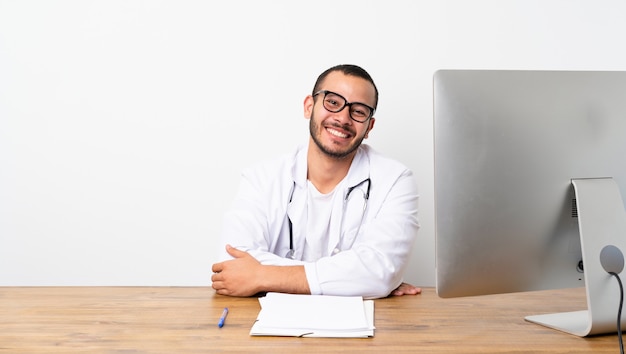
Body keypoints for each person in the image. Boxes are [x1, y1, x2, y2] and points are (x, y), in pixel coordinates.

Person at [211, 64, 420, 299]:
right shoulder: (261, 178)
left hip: (359, 328)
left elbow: (379, 272)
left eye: (359, 111)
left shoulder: (395, 180)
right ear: (309, 107)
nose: (343, 118)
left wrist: (260, 276)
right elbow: (230, 264)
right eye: (332, 102)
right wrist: (354, 280)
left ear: (369, 127)